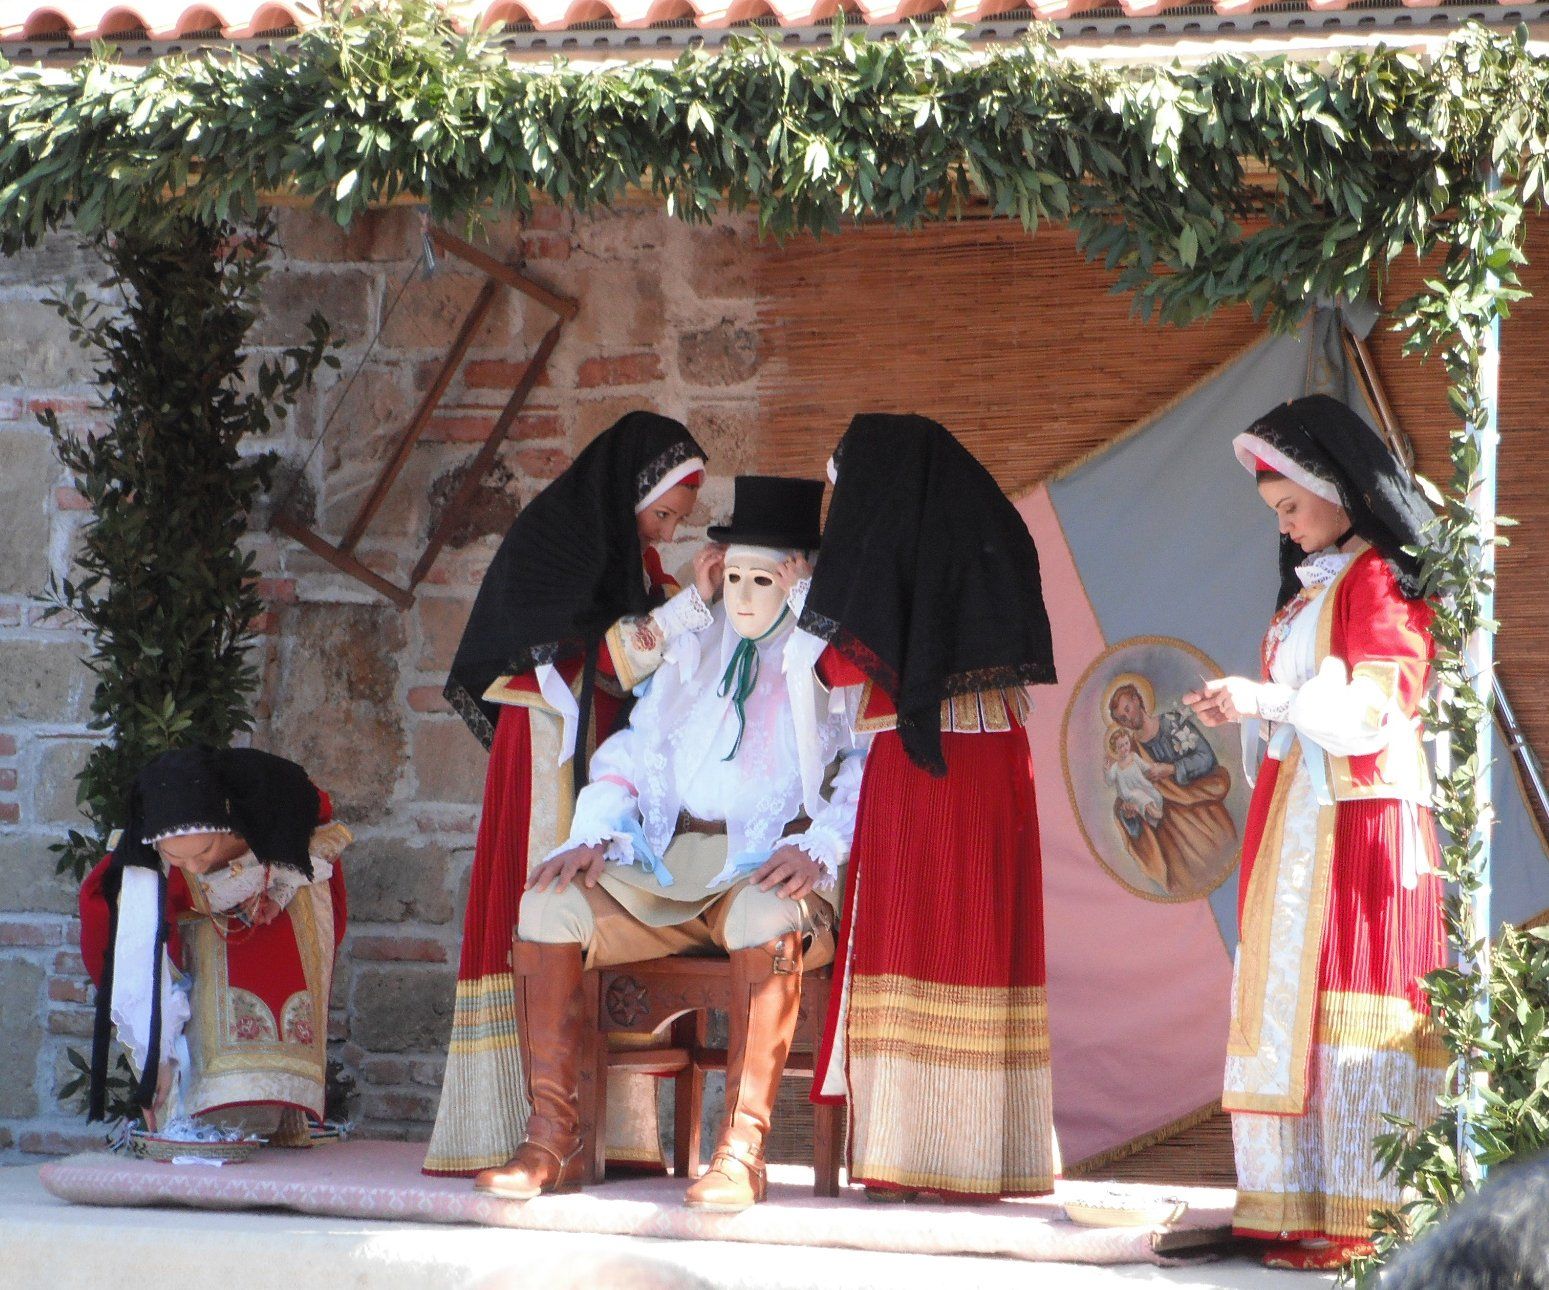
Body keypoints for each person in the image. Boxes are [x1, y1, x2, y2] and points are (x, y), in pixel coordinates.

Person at [476, 475, 863, 1210]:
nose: (743, 597)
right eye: (733, 577)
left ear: (796, 581)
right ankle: (552, 1141)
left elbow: (863, 766)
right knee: (547, 904)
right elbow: (634, 749)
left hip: (765, 869)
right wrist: (595, 831)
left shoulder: (827, 662)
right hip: (667, 866)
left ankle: (741, 1152)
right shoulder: (696, 647)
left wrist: (819, 846)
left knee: (764, 917)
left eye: (764, 581)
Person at [1183, 394, 1447, 1271]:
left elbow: (1373, 711)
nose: (1286, 527)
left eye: (1291, 506)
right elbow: (1302, 710)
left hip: (1359, 816)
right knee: (1298, 998)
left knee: (1348, 995)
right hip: (1304, 812)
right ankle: (1307, 1207)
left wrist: (1264, 698)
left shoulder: (1378, 578)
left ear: (1337, 491)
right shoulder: (1314, 590)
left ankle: (1363, 1217)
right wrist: (1253, 707)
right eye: (1276, 513)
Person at [425, 411, 719, 1178]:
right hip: (548, 755)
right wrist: (688, 605)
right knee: (545, 901)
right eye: (662, 515)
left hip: (606, 756)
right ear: (632, 494)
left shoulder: (630, 560)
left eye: (675, 522)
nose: (664, 533)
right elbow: (603, 661)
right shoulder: (553, 547)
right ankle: (514, 1126)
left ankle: (612, 1134)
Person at [797, 413, 1059, 1201]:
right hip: (992, 756)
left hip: (921, 765)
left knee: (915, 933)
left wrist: (802, 597)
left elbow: (841, 666)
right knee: (974, 931)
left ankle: (911, 1154)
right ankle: (978, 1154)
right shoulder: (990, 533)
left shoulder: (890, 558)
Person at [80, 746, 349, 1140]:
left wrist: (277, 893)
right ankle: (193, 1110)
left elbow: (310, 853)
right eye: (178, 857)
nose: (195, 865)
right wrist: (157, 1058)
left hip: (280, 890)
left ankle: (287, 1107)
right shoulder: (147, 866)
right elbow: (138, 955)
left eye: (204, 851)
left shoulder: (271, 803)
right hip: (194, 917)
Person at [1107, 678, 1236, 895]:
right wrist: (1129, 816)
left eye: (1127, 709)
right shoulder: (1132, 755)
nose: (1127, 718)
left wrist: (1173, 769)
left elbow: (1206, 758)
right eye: (1122, 718)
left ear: (1138, 699)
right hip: (1173, 841)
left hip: (1204, 814)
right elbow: (1135, 807)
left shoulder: (1172, 723)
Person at [1106, 727, 1164, 827]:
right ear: (1115, 749)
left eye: (1126, 743)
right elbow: (1109, 781)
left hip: (1142, 785)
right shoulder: (1116, 766)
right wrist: (1107, 771)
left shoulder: (1133, 756)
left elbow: (1144, 766)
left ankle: (1155, 813)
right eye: (1121, 746)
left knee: (1155, 795)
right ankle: (1154, 812)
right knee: (1139, 796)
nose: (1125, 748)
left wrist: (1153, 766)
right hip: (1129, 792)